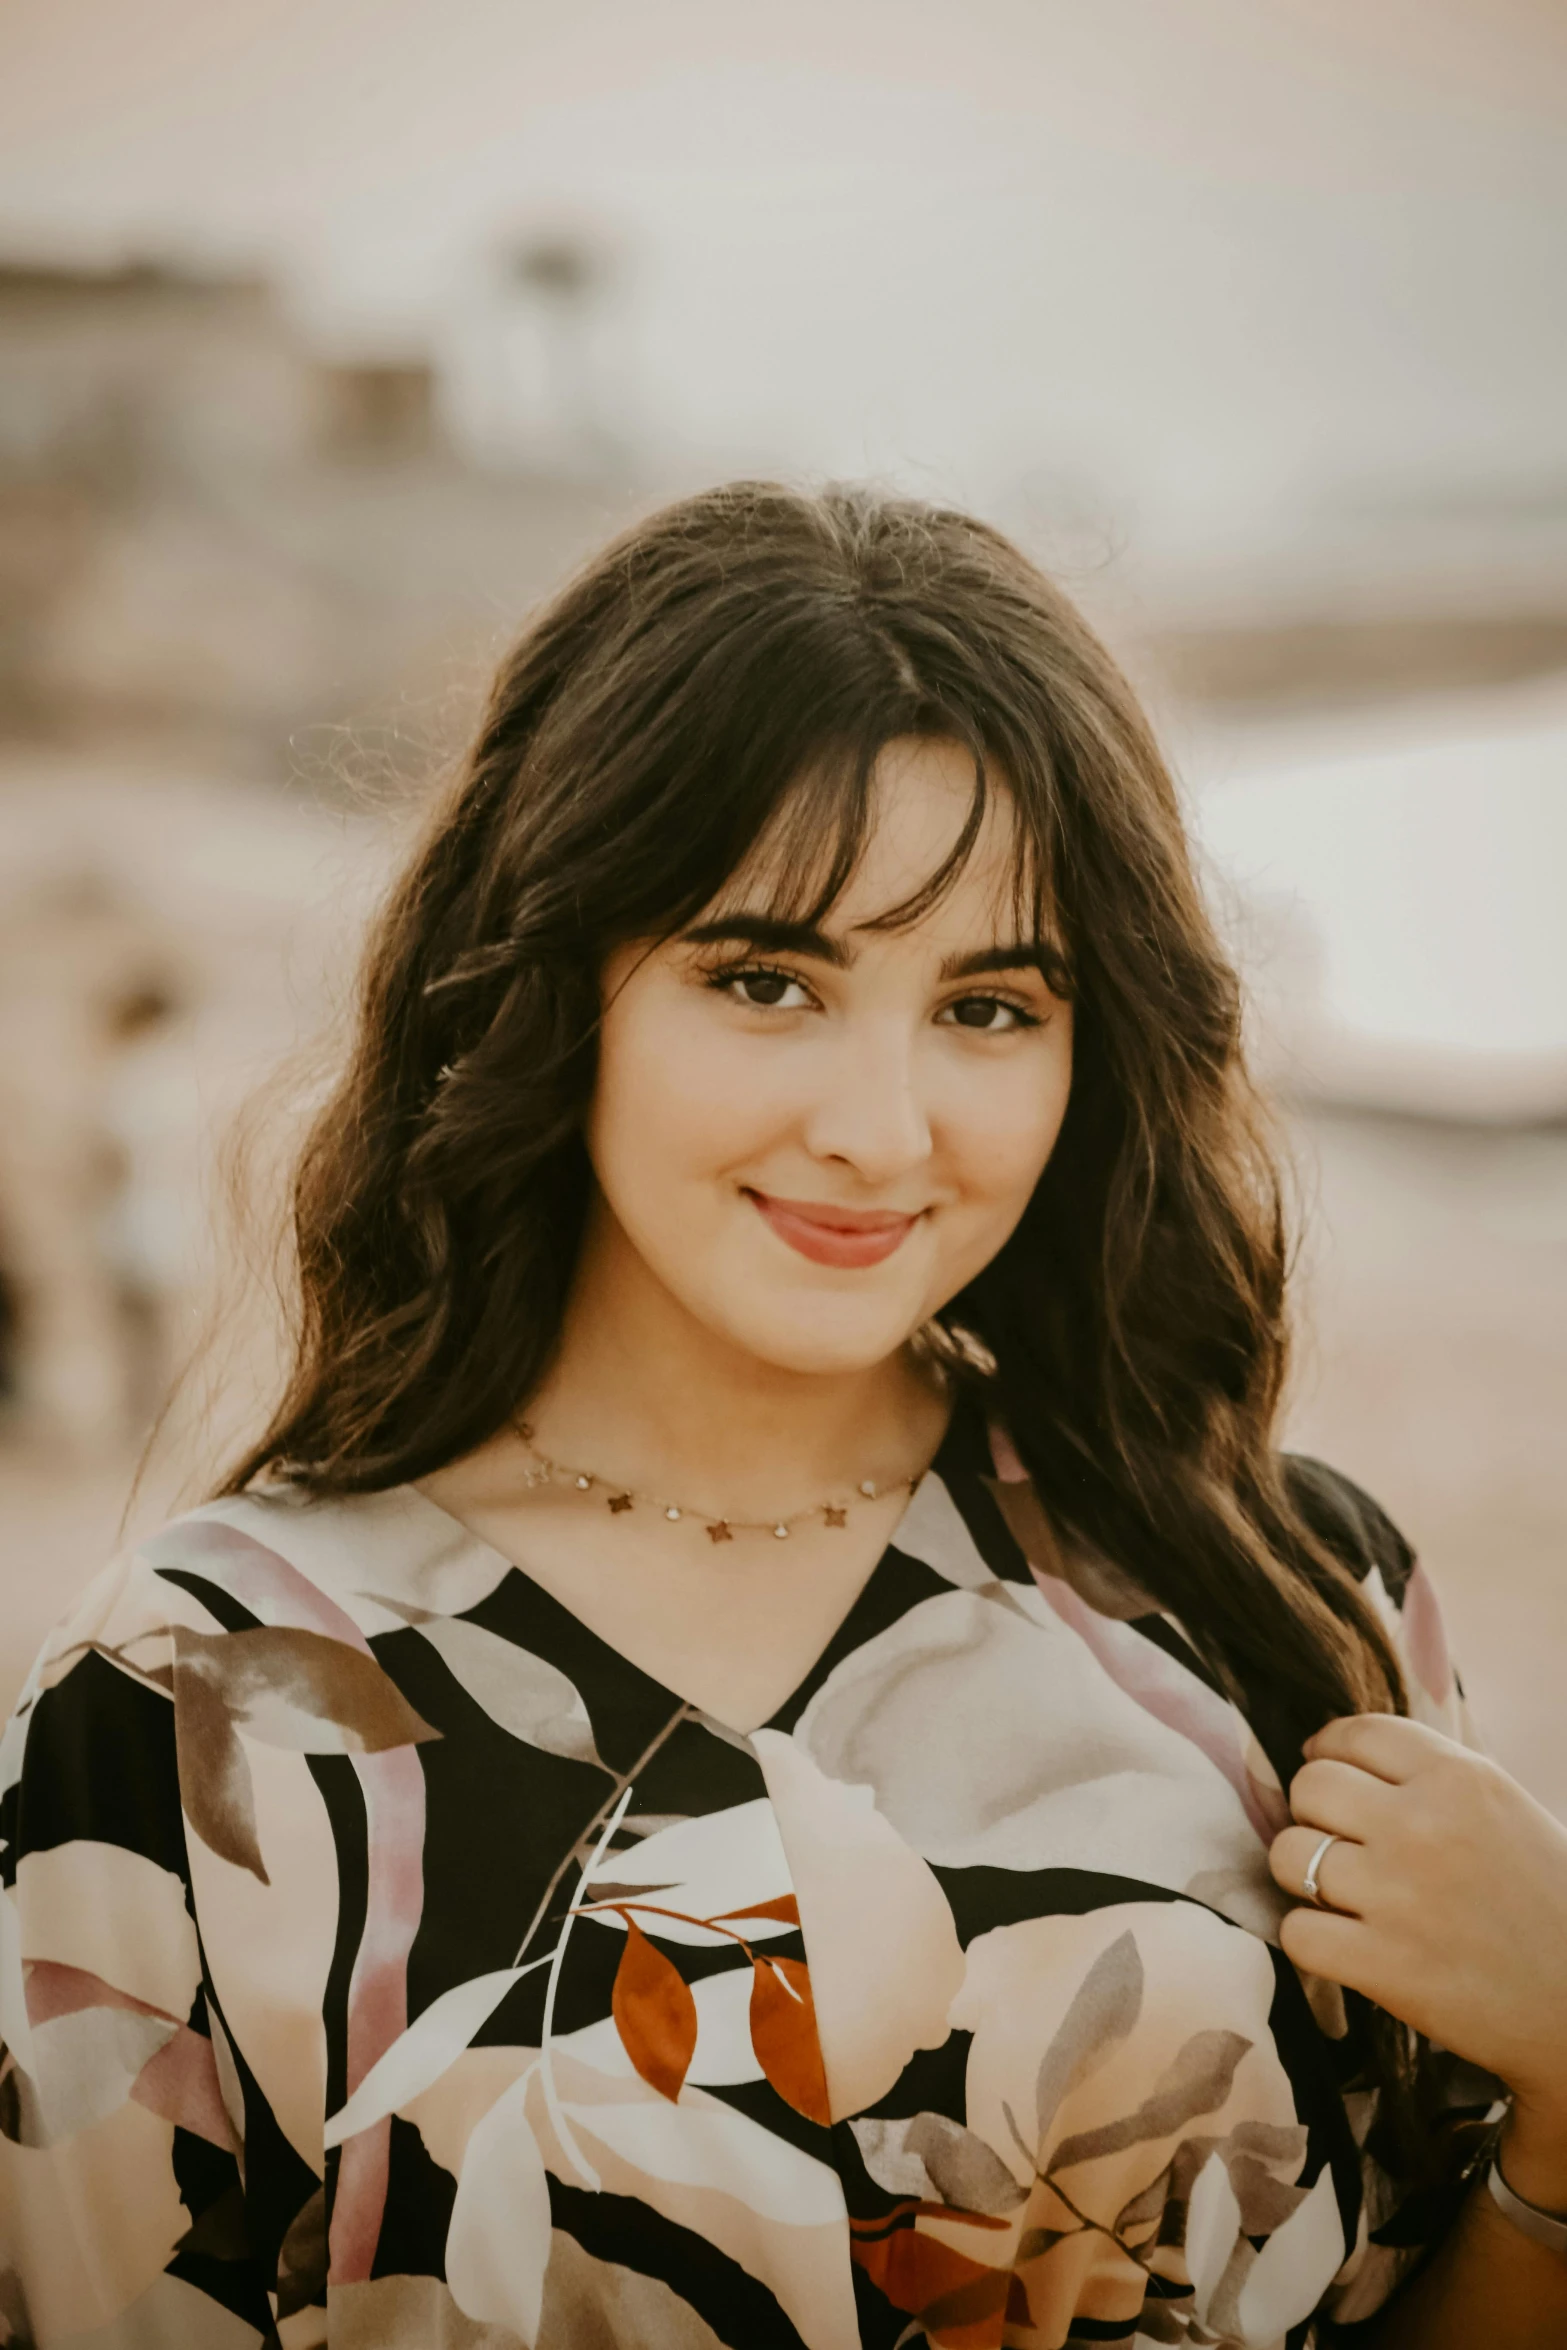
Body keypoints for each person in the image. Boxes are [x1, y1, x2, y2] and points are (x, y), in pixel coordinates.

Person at [1, 482, 1564, 2350]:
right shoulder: (186, 1706)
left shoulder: (1281, 1597)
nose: (881, 1127)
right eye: (765, 978)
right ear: (553, 979)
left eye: (989, 1007)